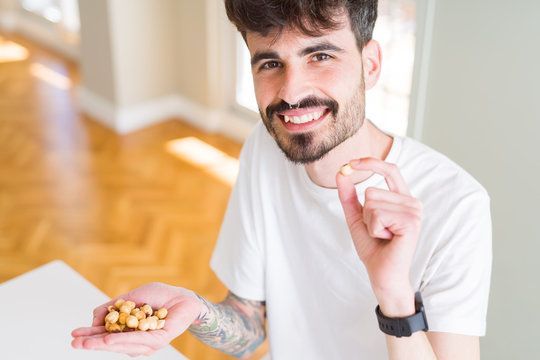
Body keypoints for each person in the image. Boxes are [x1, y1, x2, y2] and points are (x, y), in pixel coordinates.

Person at [71, 0, 492, 359]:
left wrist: (394, 294)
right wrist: (194, 308)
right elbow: (249, 329)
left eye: (320, 56)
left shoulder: (456, 205)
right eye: (271, 63)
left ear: (371, 64)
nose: (291, 93)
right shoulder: (265, 148)